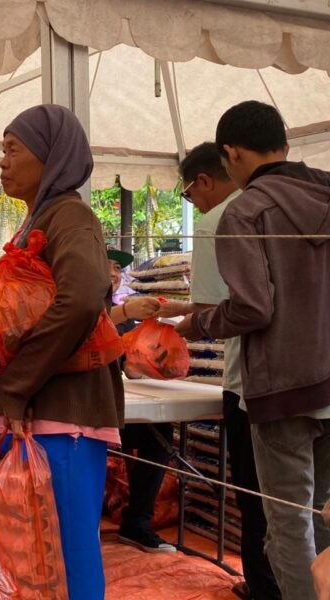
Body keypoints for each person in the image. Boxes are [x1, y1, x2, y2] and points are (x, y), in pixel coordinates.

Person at [0, 105, 124, 600]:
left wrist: (16, 382)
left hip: (60, 421)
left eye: (12, 149)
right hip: (29, 418)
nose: (2, 162)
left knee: (64, 559)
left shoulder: (70, 216)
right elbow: (18, 316)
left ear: (50, 157)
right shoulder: (39, 219)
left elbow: (82, 297)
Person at [176, 101, 330, 600]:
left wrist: (196, 324)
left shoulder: (245, 209)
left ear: (232, 153)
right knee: (325, 515)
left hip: (282, 387)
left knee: (288, 523)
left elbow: (252, 309)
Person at [164, 142, 280, 599]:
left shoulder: (222, 220)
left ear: (207, 180)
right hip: (316, 378)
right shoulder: (307, 207)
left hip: (253, 383)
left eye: (191, 196)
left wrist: (185, 325)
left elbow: (220, 310)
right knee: (308, 504)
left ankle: (265, 587)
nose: (197, 205)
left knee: (259, 498)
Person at [105, 247, 175, 553]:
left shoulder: (129, 324)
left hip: (117, 411)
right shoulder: (75, 311)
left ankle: (137, 523)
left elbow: (133, 371)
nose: (112, 273)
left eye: (117, 269)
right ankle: (78, 527)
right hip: (77, 413)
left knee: (158, 435)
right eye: (105, 266)